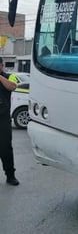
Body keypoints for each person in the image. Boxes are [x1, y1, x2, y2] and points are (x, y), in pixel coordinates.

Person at [0, 57, 19, 185]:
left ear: (1, 65)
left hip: (3, 119)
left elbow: (13, 87)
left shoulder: (9, 76)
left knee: (5, 148)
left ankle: (10, 175)